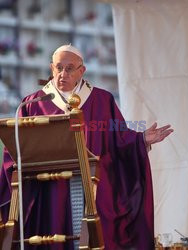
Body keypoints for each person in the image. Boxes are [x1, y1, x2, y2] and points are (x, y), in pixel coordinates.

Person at [0, 45, 173, 250]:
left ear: (82, 71)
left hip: (93, 184)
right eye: (58, 68)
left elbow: (119, 138)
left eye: (70, 68)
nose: (63, 73)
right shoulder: (33, 103)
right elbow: (15, 150)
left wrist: (141, 139)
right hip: (49, 187)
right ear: (51, 69)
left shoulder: (101, 100)